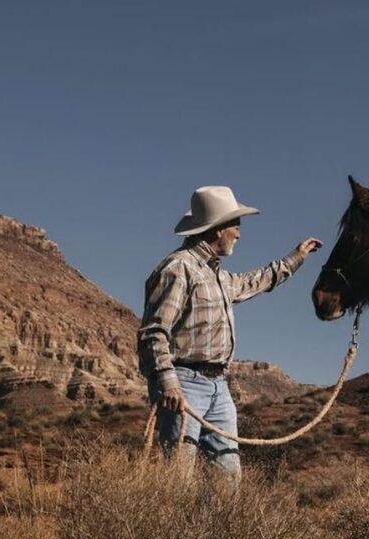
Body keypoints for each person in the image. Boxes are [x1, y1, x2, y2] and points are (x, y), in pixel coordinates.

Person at [137, 185, 321, 480]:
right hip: (183, 383)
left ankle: (214, 528)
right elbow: (153, 332)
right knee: (178, 478)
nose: (239, 233)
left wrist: (295, 258)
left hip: (218, 385)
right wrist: (169, 384)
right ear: (218, 228)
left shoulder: (218, 275)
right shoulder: (178, 269)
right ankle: (174, 527)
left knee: (228, 477)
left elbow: (254, 282)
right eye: (235, 225)